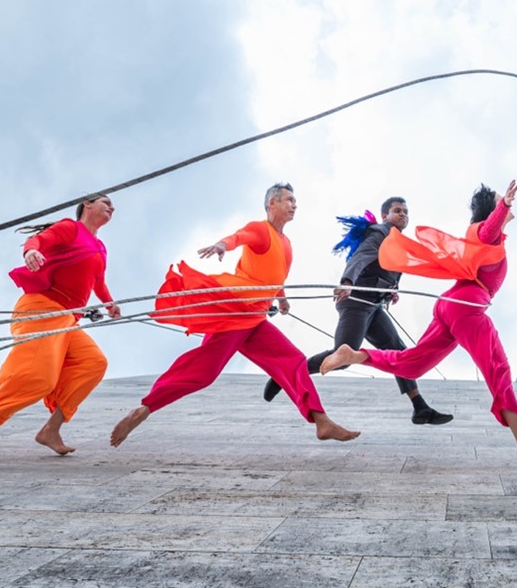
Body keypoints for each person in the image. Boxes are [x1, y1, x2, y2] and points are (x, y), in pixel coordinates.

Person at [321, 181, 517, 468]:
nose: (509, 208)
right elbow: (490, 227)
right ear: (492, 209)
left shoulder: (480, 238)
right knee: (498, 368)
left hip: (450, 304)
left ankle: (357, 355)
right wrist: (504, 204)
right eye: (500, 203)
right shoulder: (485, 233)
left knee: (413, 364)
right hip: (466, 307)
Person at [110, 183, 360, 446]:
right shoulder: (260, 229)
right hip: (237, 312)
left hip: (256, 319)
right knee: (203, 371)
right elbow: (238, 237)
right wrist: (221, 245)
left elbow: (275, 276)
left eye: (295, 201)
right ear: (271, 204)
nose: (294, 205)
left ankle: (321, 422)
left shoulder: (286, 244)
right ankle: (145, 409)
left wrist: (281, 299)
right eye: (288, 200)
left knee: (293, 360)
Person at [263, 196, 453, 425]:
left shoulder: (396, 241)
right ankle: (285, 374)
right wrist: (347, 281)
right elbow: (362, 257)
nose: (403, 214)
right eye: (397, 210)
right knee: (343, 357)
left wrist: (391, 291)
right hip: (355, 301)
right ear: (385, 216)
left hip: (372, 306)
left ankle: (420, 407)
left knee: (399, 352)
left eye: (405, 211)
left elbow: (385, 271)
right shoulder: (379, 233)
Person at [0, 194, 120, 457]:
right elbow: (37, 240)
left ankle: (51, 429)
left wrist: (109, 303)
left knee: (93, 363)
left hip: (67, 318)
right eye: (105, 202)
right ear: (87, 205)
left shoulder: (101, 247)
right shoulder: (69, 228)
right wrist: (31, 251)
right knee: (39, 378)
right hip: (40, 309)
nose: (111, 207)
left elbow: (98, 282)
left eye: (112, 205)